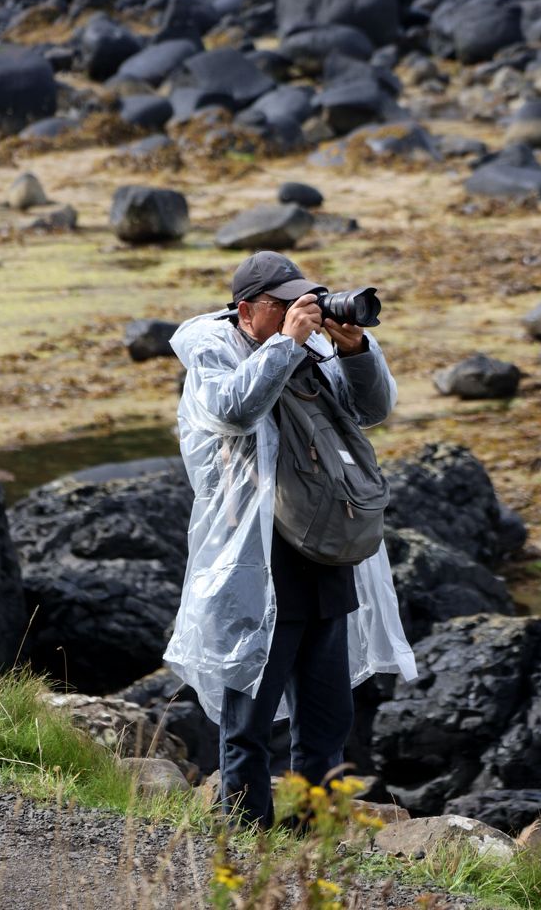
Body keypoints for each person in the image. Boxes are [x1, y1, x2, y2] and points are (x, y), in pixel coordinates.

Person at [164, 250, 417, 828]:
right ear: (248, 310)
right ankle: (248, 837)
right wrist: (287, 345)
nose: (299, 312)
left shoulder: (314, 351)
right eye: (284, 305)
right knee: (248, 723)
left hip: (326, 553)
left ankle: (317, 835)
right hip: (256, 565)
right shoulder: (213, 352)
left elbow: (374, 409)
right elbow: (232, 411)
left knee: (327, 721)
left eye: (304, 300)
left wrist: (355, 350)